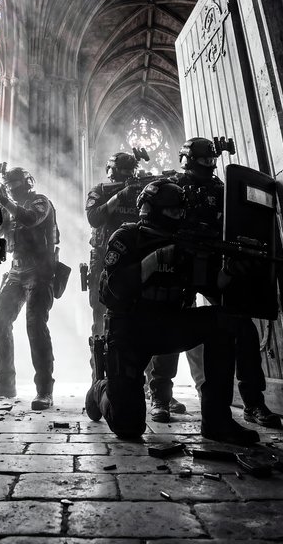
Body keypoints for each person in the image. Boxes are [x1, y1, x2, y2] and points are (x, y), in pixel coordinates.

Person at [84, 178, 260, 446]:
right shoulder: (127, 237)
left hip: (168, 324)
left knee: (225, 321)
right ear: (150, 210)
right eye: (171, 211)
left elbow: (211, 284)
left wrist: (230, 270)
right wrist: (156, 260)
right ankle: (101, 388)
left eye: (181, 211)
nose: (178, 216)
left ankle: (216, 420)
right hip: (130, 329)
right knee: (129, 426)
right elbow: (111, 292)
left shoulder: (185, 242)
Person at [149, 137, 282, 429]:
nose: (208, 167)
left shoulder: (222, 189)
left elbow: (239, 221)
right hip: (179, 261)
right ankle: (159, 396)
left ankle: (253, 401)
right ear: (188, 161)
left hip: (213, 262)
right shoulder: (170, 184)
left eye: (211, 162)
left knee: (242, 327)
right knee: (169, 325)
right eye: (203, 162)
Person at [0, 167, 58, 410]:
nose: (12, 189)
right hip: (16, 271)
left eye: (15, 184)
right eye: (9, 186)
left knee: (35, 325)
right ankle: (6, 382)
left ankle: (44, 390)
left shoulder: (40, 202)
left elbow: (31, 218)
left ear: (27, 182)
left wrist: (4, 199)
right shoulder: (10, 208)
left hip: (39, 271)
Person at [85, 152, 141, 360]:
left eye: (130, 171)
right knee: (100, 315)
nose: (127, 175)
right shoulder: (100, 191)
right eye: (122, 171)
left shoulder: (141, 191)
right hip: (103, 257)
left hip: (134, 258)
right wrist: (119, 196)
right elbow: (94, 218)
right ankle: (98, 375)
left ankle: (143, 379)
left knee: (139, 316)